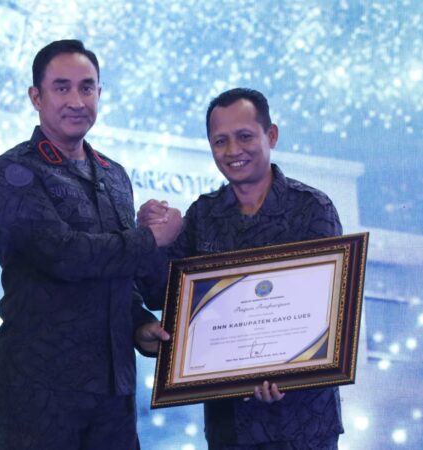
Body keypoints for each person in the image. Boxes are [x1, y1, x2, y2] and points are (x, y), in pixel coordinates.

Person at [0, 39, 181, 450]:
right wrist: (148, 238)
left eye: (87, 88)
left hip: (113, 392)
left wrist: (140, 323)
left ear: (99, 94)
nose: (76, 101)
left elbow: (116, 278)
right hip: (40, 391)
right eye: (62, 87)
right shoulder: (13, 172)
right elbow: (63, 256)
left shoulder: (114, 175)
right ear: (36, 97)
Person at [138, 88, 344, 450]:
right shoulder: (203, 214)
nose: (233, 151)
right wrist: (152, 239)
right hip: (229, 425)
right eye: (220, 141)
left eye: (245, 136)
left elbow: (327, 310)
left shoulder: (312, 209)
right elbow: (160, 295)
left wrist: (287, 372)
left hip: (302, 423)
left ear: (271, 135)